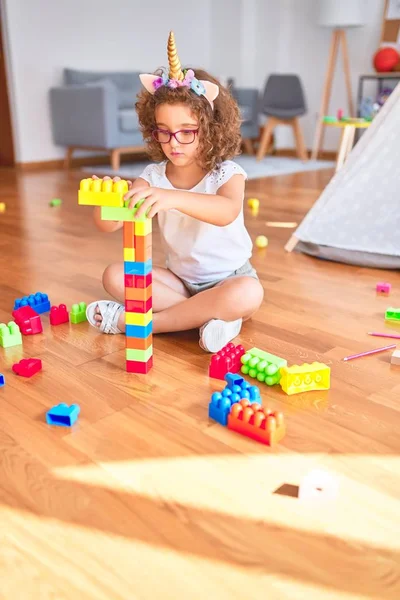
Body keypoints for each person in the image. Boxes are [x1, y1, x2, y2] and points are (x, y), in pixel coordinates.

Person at [86, 31, 264, 352]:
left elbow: (226, 212)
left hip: (230, 279)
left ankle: (138, 324)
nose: (174, 143)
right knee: (114, 275)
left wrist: (173, 198)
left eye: (187, 132)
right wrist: (107, 199)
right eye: (164, 132)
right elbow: (108, 224)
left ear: (210, 129)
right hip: (179, 283)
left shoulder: (227, 174)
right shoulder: (152, 176)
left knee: (248, 294)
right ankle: (208, 319)